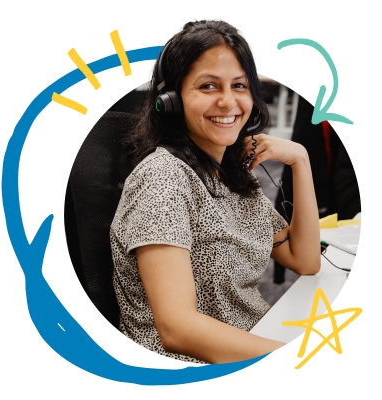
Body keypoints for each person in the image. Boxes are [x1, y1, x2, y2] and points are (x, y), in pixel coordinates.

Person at [110, 20, 320, 364]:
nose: (228, 101)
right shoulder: (163, 180)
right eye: (208, 86)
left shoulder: (232, 175)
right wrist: (300, 361)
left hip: (248, 345)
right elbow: (178, 329)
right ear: (171, 100)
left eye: (240, 85)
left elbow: (305, 260)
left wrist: (301, 160)